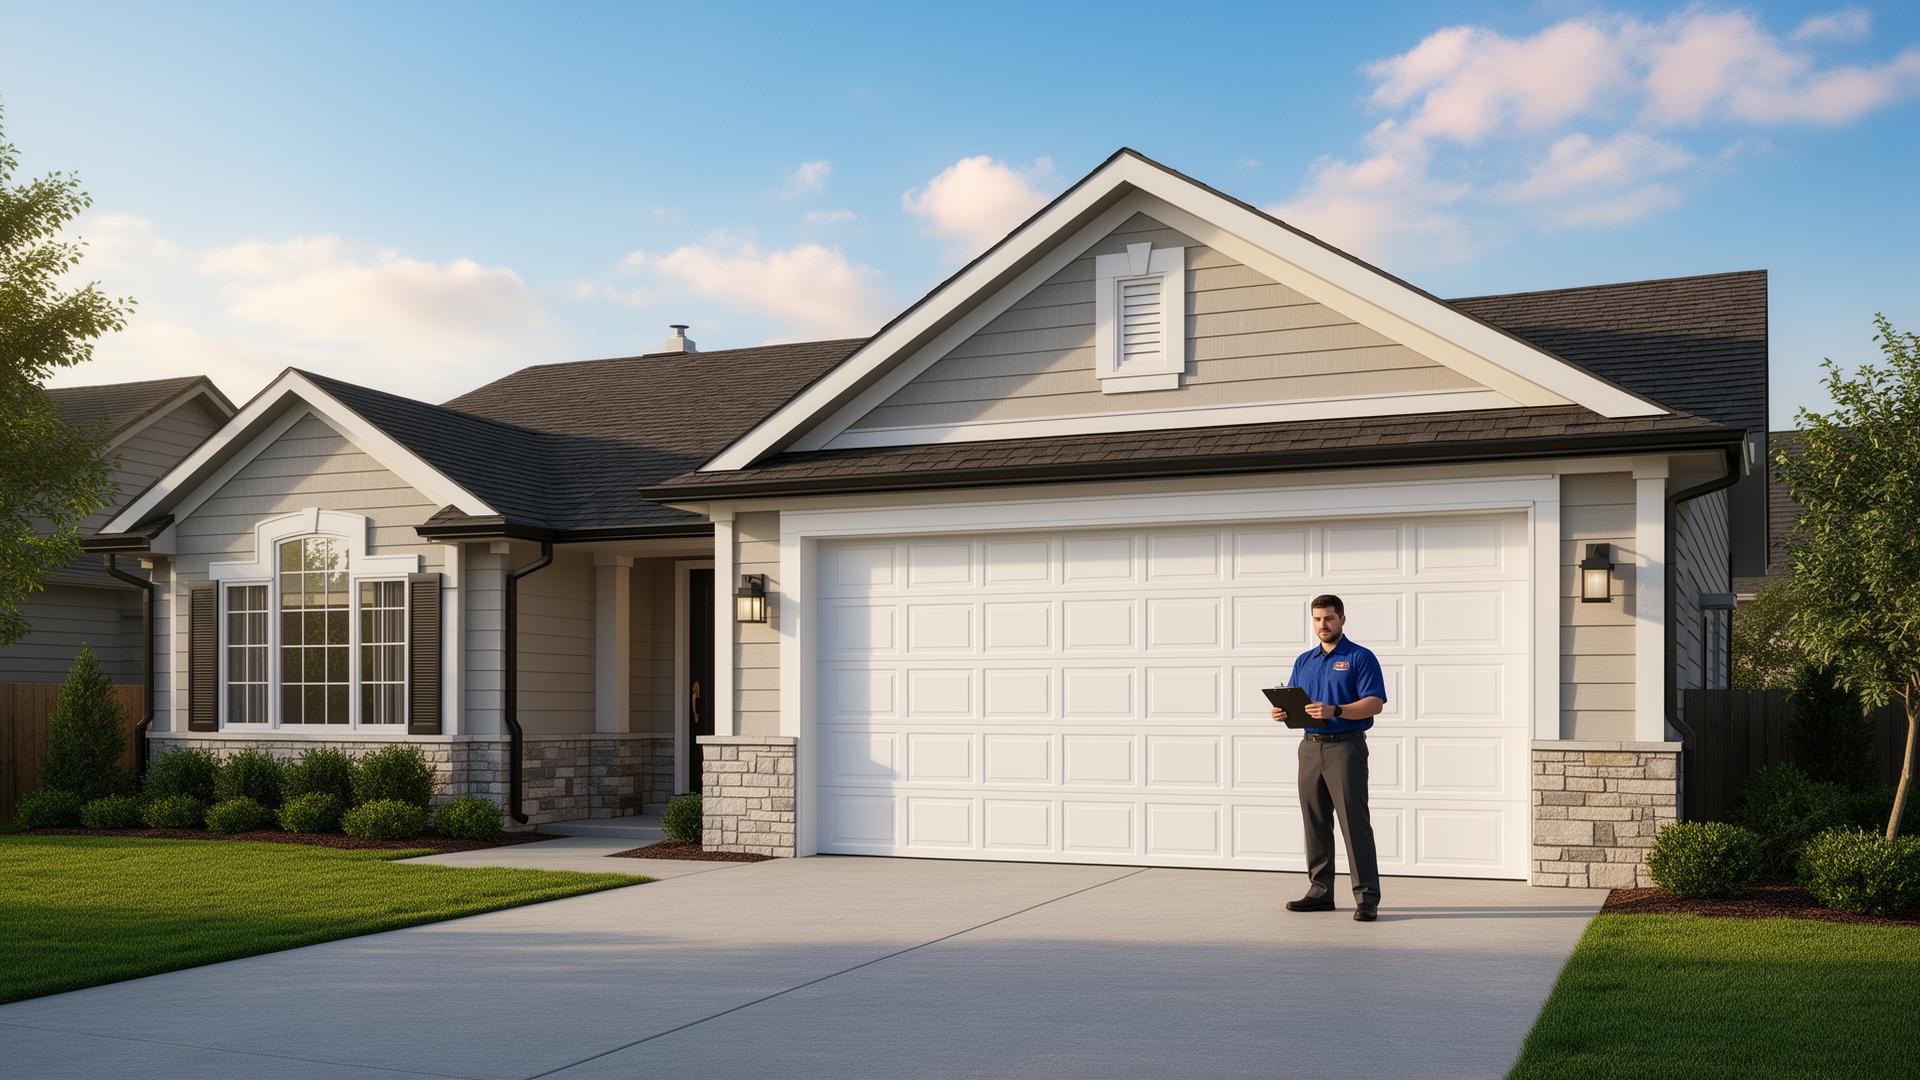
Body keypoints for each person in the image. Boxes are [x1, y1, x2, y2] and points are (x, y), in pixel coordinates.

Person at [1269, 594, 1387, 921]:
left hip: (1345, 747)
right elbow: (1297, 698)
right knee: (1315, 822)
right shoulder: (1304, 661)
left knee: (1354, 824)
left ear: (1342, 619)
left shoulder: (1360, 657)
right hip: (1309, 748)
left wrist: (1336, 710)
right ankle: (1320, 892)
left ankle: (1367, 898)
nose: (1324, 625)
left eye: (1329, 618)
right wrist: (1282, 711)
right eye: (1318, 619)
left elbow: (1375, 702)